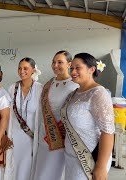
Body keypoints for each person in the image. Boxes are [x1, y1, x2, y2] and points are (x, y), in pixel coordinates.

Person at [61, 53, 115, 180]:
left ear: (91, 69)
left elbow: (108, 132)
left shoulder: (98, 94)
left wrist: (101, 167)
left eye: (78, 68)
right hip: (71, 158)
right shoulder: (74, 93)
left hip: (89, 160)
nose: (73, 72)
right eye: (71, 68)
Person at [33, 51, 79, 180]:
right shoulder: (48, 84)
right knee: (41, 171)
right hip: (44, 136)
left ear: (69, 64)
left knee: (55, 172)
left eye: (60, 62)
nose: (55, 65)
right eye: (54, 62)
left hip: (60, 137)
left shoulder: (74, 86)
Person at [8, 57, 43, 180]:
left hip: (31, 139)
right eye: (19, 68)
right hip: (14, 137)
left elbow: (42, 117)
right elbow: (10, 114)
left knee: (28, 168)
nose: (21, 71)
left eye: (25, 68)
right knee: (13, 168)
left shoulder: (40, 89)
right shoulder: (13, 88)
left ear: (33, 70)